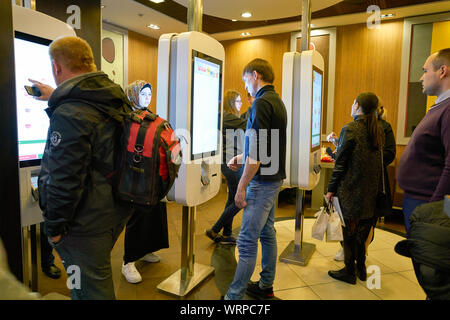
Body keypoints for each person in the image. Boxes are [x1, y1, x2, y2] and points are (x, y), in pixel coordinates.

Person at [32, 36, 133, 299]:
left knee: (89, 290)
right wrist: (55, 95)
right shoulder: (112, 95)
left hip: (84, 224)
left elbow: (64, 179)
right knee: (89, 280)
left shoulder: (69, 113)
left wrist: (53, 229)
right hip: (113, 210)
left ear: (56, 67)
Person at [225, 58, 287, 300]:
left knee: (247, 241)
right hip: (274, 178)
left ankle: (234, 297)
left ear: (255, 74)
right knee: (267, 233)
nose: (246, 86)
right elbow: (265, 145)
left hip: (261, 182)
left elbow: (260, 151)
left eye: (246, 79)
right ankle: (265, 285)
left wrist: (241, 187)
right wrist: (242, 156)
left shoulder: (261, 104)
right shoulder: (277, 102)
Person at [325, 92, 383, 285]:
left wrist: (330, 189)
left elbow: (340, 165)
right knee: (362, 232)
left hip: (351, 190)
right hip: (369, 192)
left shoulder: (350, 128)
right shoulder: (377, 130)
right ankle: (361, 268)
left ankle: (349, 272)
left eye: (352, 103)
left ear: (357, 106)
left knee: (348, 232)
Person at [332, 104, 396, 261]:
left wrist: (367, 161)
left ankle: (361, 254)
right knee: (349, 220)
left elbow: (389, 154)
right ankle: (349, 252)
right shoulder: (355, 127)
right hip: (354, 181)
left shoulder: (382, 128)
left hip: (372, 181)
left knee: (367, 221)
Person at [397, 48, 450, 237]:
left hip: (426, 204)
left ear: (442, 71)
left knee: (426, 265)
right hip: (419, 200)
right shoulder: (440, 106)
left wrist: (432, 209)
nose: (421, 78)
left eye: (425, 71)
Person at [120, 80, 169, 284]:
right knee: (137, 217)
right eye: (143, 94)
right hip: (135, 177)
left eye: (149, 94)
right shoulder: (125, 118)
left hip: (154, 176)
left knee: (154, 214)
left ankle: (146, 249)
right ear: (133, 95)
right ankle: (128, 261)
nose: (147, 98)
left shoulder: (151, 118)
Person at [206, 90, 246, 245]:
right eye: (237, 101)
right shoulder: (225, 117)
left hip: (234, 161)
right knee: (241, 198)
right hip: (230, 163)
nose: (240, 104)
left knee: (232, 198)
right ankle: (215, 229)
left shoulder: (231, 118)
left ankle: (227, 234)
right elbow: (248, 123)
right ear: (230, 103)